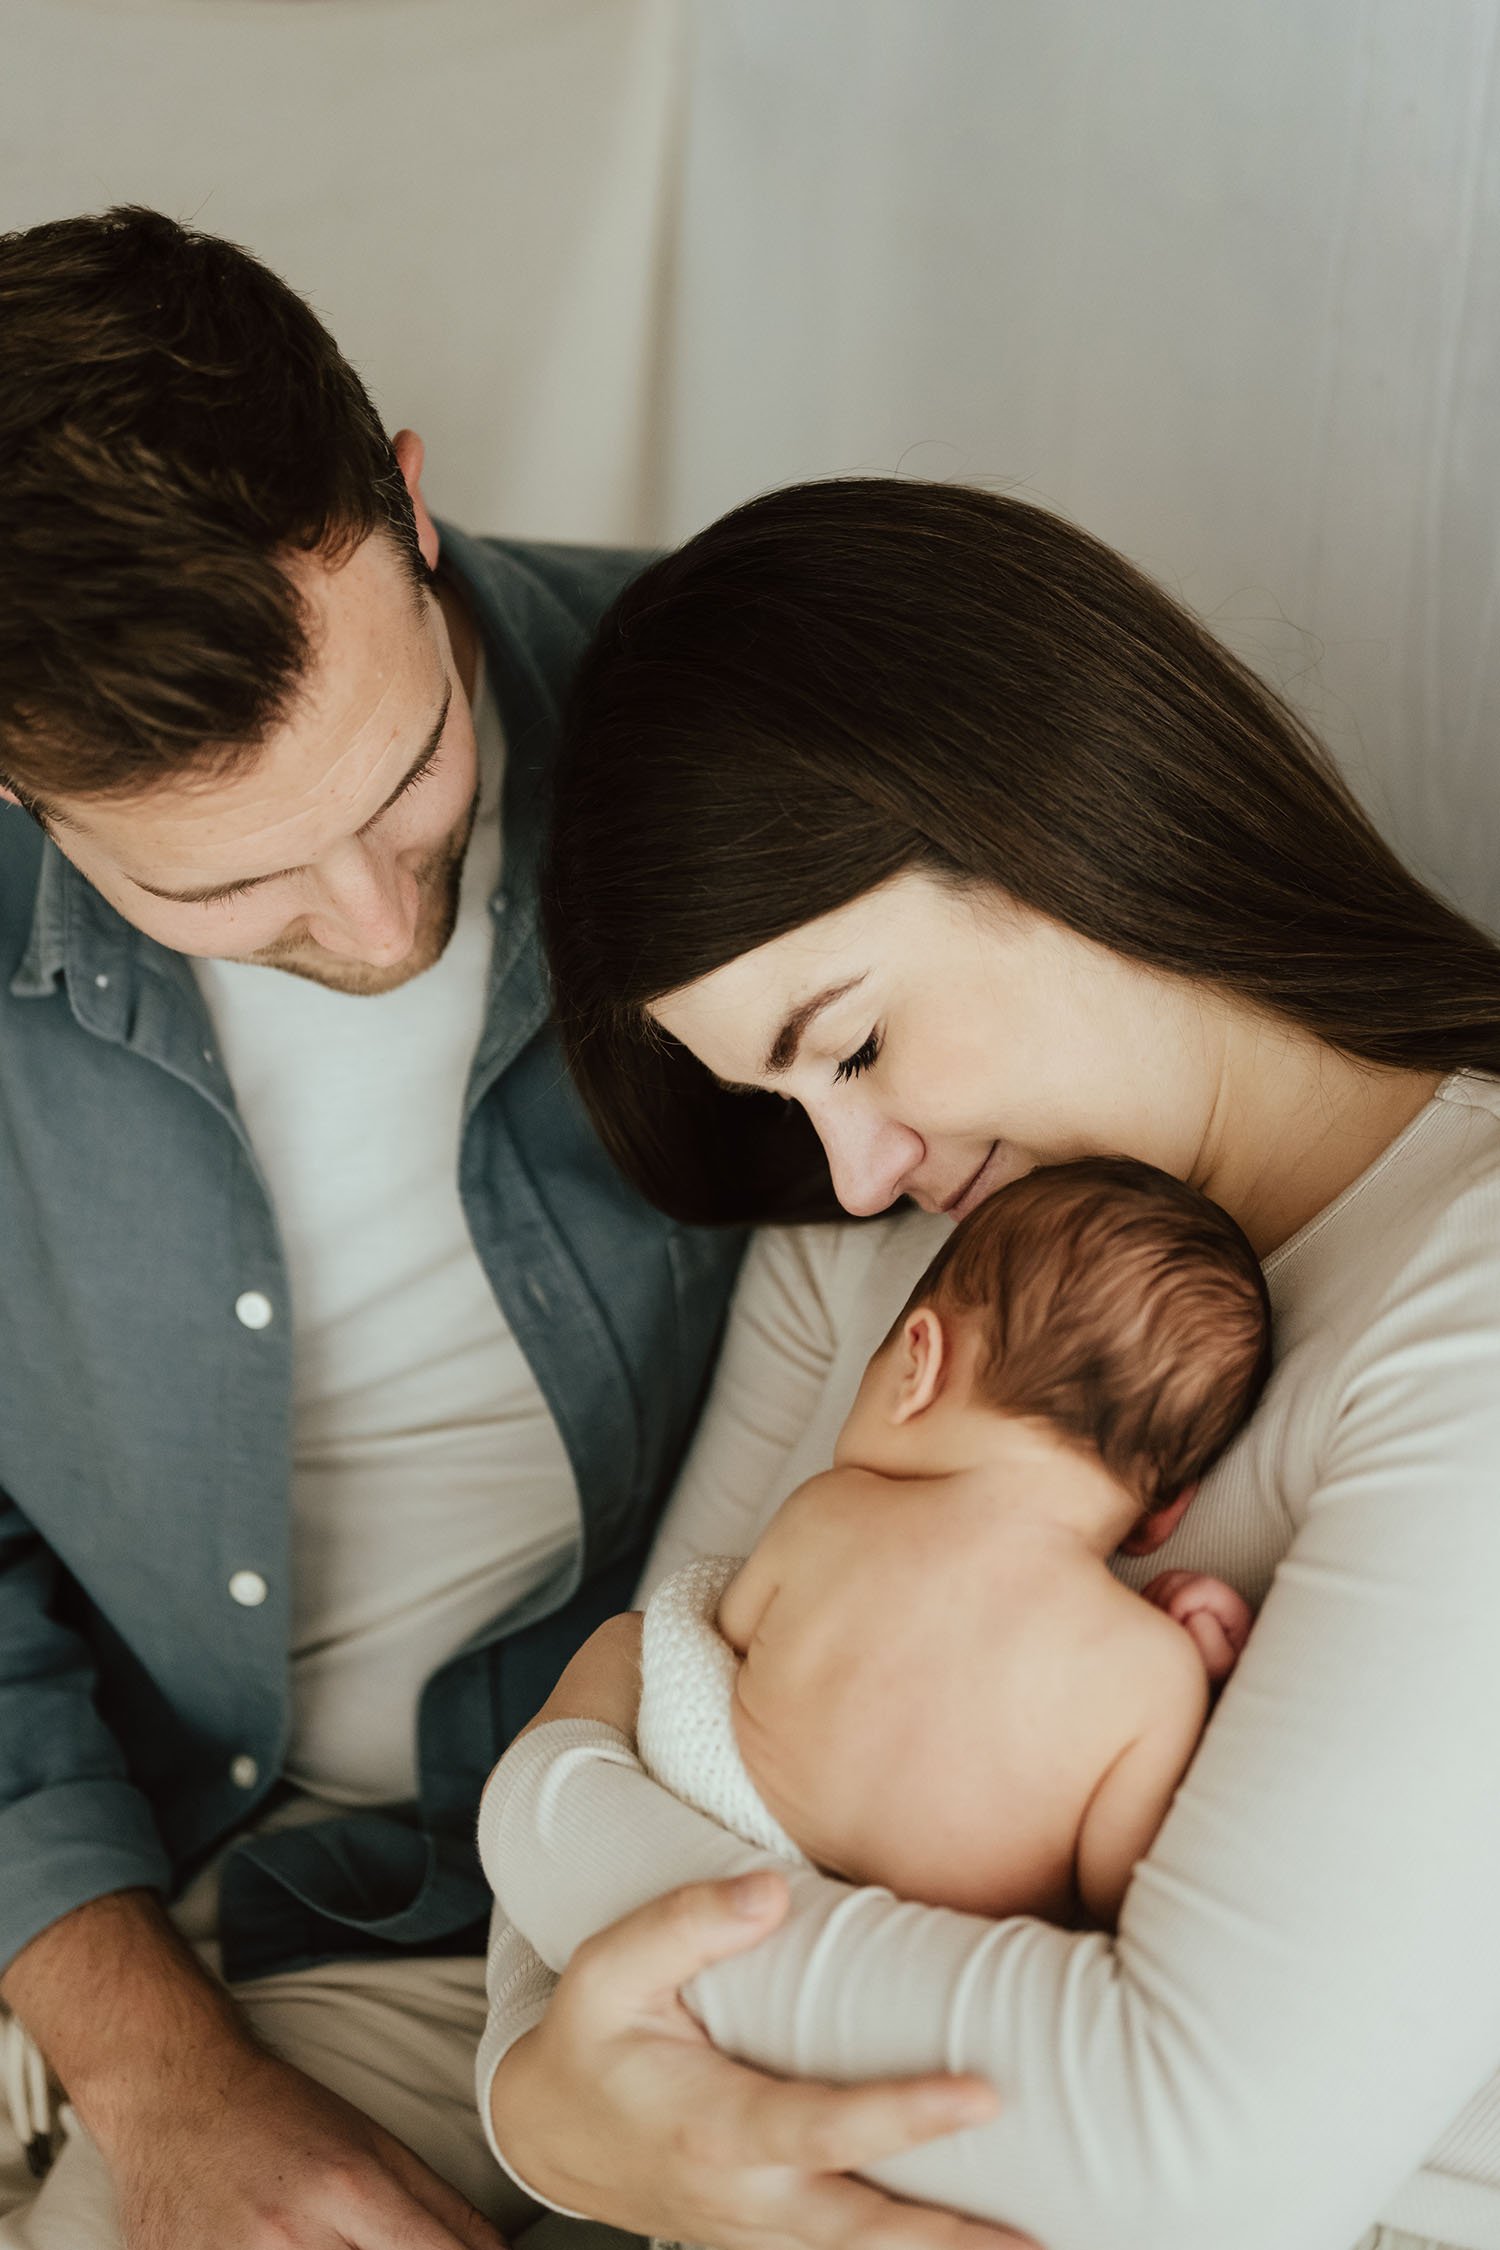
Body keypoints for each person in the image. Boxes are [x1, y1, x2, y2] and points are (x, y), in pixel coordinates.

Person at [476, 477, 1500, 2250]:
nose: (859, 1171)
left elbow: (1203, 2165)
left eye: (854, 1045)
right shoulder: (870, 1268)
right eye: (785, 1106)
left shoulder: (1465, 1301)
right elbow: (536, 2017)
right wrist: (549, 2118)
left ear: (1051, 815)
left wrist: (550, 1819)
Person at [0, 202, 824, 2250]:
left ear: (412, 505)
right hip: (180, 1890)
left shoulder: (760, 722)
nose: (377, 925)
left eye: (412, 775)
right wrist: (165, 2086)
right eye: (228, 893)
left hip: (729, 1837)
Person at [601, 1159, 1264, 1947]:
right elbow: (1125, 1903)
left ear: (918, 1364)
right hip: (927, 1983)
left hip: (711, 1902)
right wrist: (1181, 1660)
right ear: (1164, 1514)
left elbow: (706, 1652)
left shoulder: (826, 1515)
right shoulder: (1151, 1674)